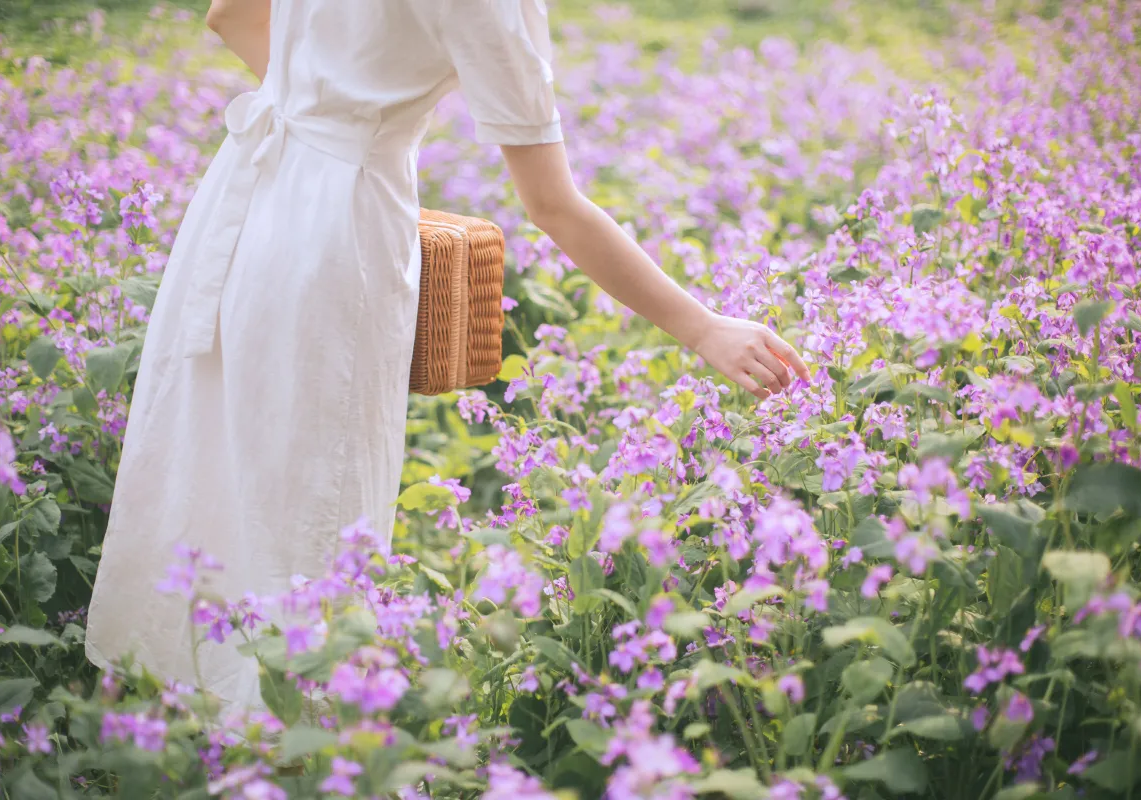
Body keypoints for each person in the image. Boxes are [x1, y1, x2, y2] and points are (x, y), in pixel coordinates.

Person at [84, 0, 811, 718]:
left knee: (206, 455)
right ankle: (282, 744)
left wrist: (328, 115)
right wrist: (702, 327)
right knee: (311, 507)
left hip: (245, 193)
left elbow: (228, 15)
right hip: (334, 239)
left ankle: (162, 709)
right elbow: (552, 203)